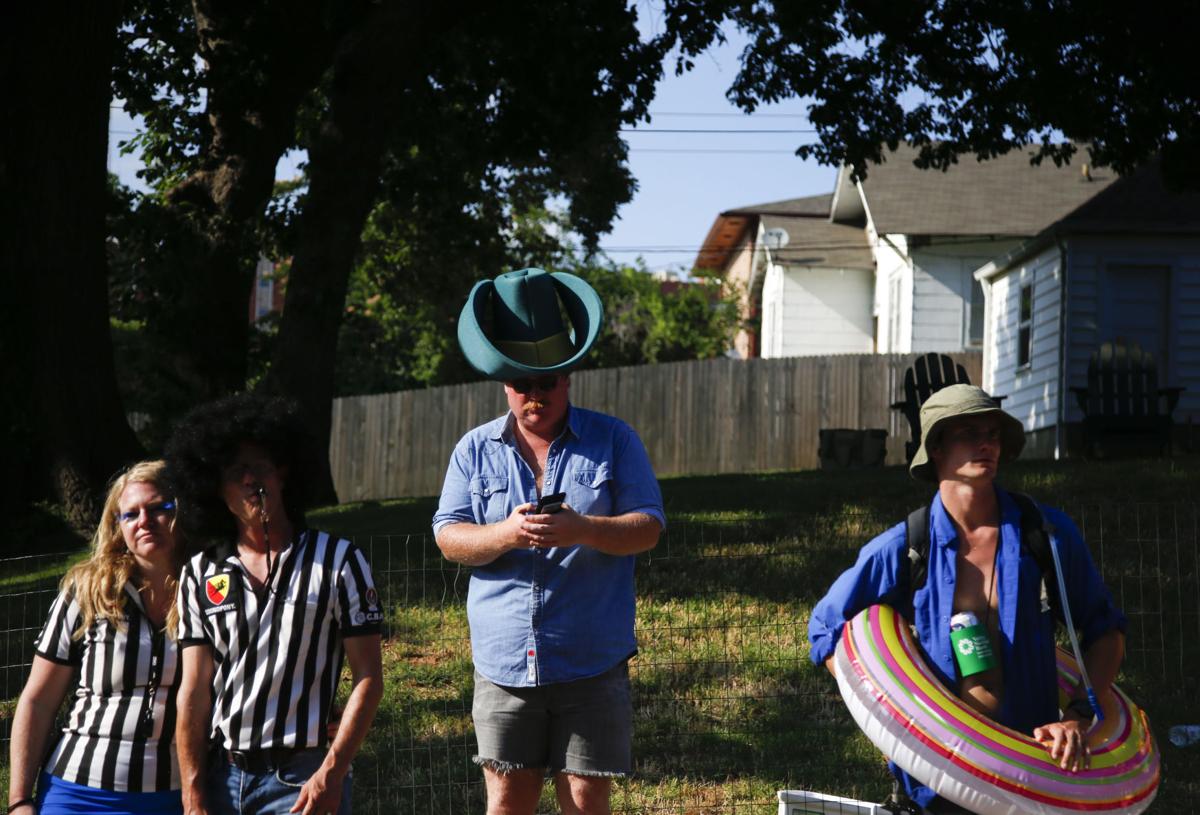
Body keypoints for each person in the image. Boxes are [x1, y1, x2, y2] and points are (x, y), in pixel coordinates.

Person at [808, 384, 1127, 813]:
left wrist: (1078, 714)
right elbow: (827, 627)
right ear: (936, 447)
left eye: (993, 433)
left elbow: (1106, 629)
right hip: (934, 784)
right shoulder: (906, 546)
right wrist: (884, 708)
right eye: (968, 433)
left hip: (1030, 775)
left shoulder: (1046, 536)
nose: (985, 443)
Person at [434, 268, 666, 815]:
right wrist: (507, 534)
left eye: (547, 383)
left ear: (568, 379)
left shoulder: (614, 439)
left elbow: (650, 527)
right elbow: (448, 535)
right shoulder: (474, 449)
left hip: (591, 661)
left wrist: (583, 530)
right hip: (504, 663)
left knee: (586, 803)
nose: (534, 395)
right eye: (522, 384)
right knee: (507, 802)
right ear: (504, 384)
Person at [166, 394, 384, 815]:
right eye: (236, 472)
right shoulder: (199, 574)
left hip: (302, 778)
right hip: (223, 778)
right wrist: (192, 794)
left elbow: (369, 679)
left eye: (261, 466)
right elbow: (192, 692)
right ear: (215, 489)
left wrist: (331, 773)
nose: (251, 480)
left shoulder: (339, 562)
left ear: (284, 473)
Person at [8, 460, 185, 815]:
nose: (144, 522)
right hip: (78, 793)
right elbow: (38, 701)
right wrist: (19, 800)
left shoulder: (210, 592)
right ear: (117, 527)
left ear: (182, 512)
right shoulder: (88, 591)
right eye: (130, 515)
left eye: (157, 509)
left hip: (174, 796)